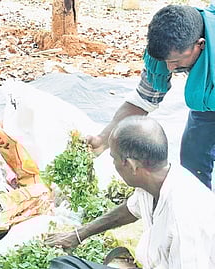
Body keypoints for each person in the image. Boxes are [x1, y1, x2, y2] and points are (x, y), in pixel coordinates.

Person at [45, 116, 215, 269]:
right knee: (64, 265)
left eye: (114, 158)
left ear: (132, 165)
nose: (113, 164)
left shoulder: (185, 221)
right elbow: (131, 209)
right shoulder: (153, 182)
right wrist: (78, 235)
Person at [87, 4, 215, 189]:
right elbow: (143, 101)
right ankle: (196, 207)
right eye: (166, 62)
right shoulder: (163, 50)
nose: (171, 68)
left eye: (176, 61)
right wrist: (102, 139)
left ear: (200, 45)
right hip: (207, 99)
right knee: (192, 159)